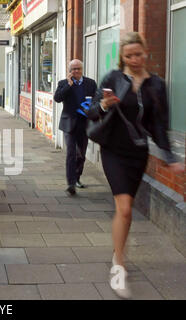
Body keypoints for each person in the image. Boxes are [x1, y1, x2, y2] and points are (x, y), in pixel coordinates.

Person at [87, 32, 184, 299]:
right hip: (113, 151)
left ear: (145, 52)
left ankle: (117, 249)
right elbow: (92, 111)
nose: (134, 59)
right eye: (129, 56)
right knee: (126, 208)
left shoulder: (156, 85)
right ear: (123, 57)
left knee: (125, 212)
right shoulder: (112, 78)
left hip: (137, 153)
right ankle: (119, 266)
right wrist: (104, 104)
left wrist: (170, 157)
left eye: (138, 54)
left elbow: (159, 125)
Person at [54, 59, 97, 196]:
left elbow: (96, 100)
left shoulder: (91, 83)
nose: (76, 71)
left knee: (81, 154)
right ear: (69, 71)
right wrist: (69, 85)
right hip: (69, 123)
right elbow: (57, 98)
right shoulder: (64, 83)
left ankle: (77, 176)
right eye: (73, 69)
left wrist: (91, 109)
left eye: (78, 69)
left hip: (84, 123)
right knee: (71, 153)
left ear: (82, 69)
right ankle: (71, 184)